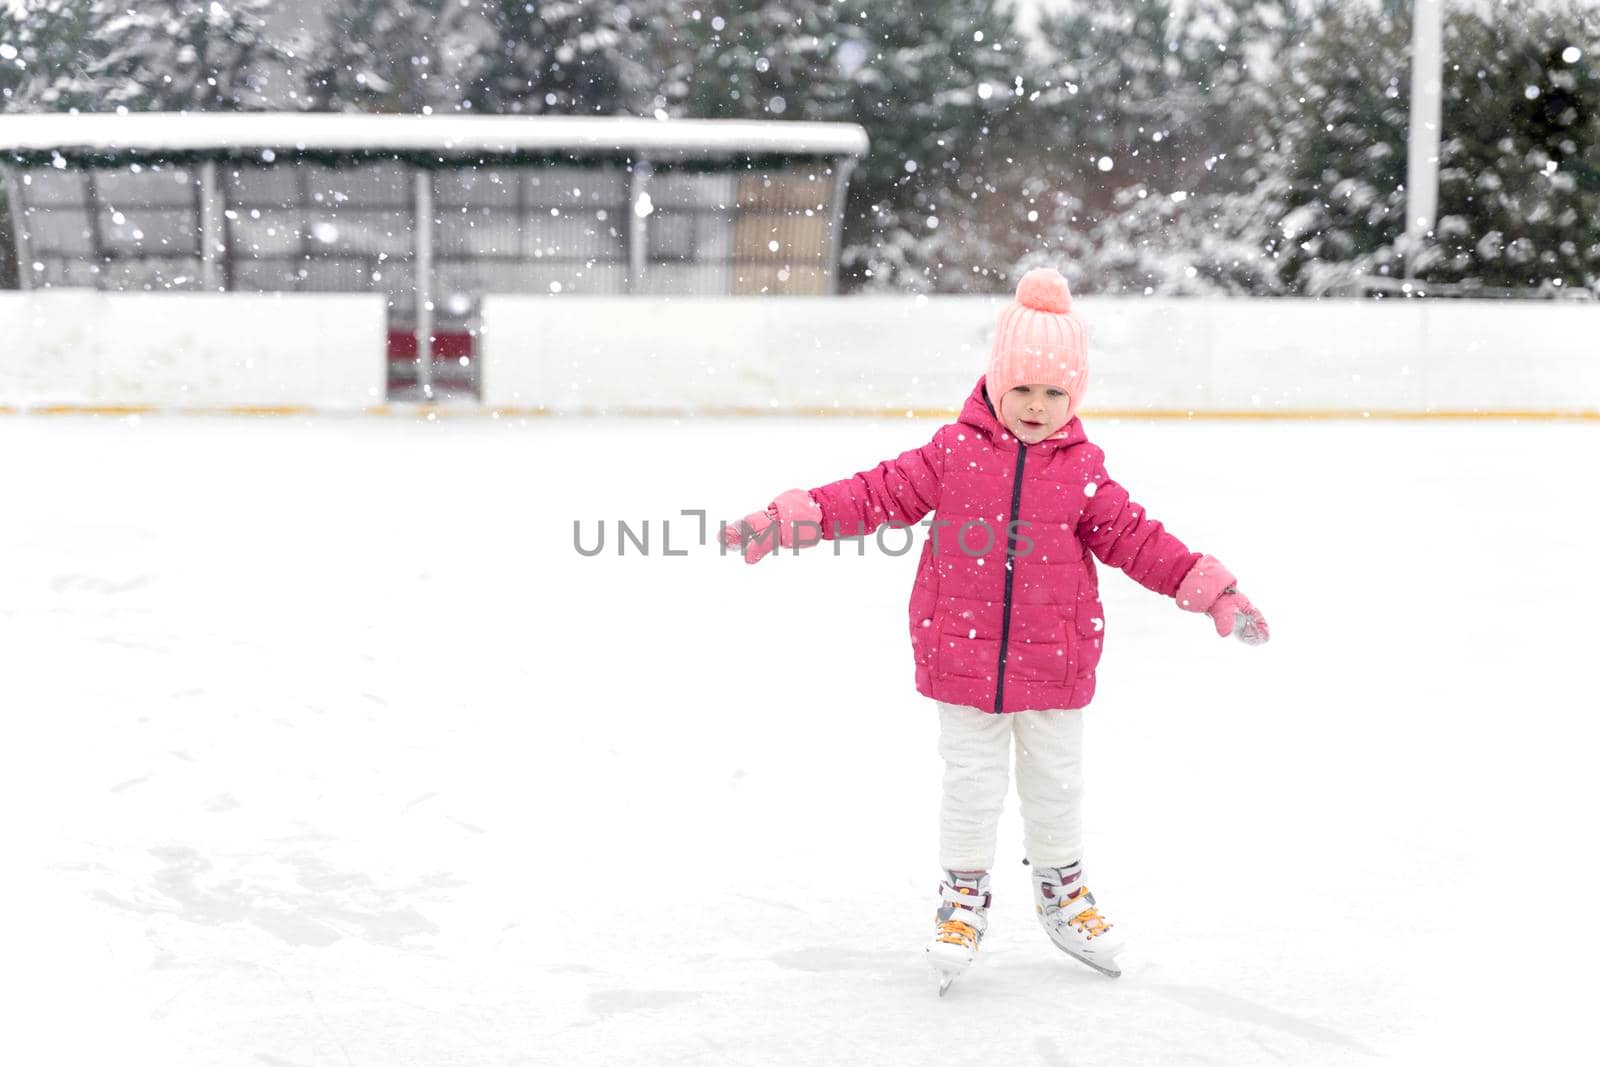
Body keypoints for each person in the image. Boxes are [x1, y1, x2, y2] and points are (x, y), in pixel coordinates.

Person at [720, 267, 1269, 991]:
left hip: (1055, 664)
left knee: (1056, 784)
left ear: (1074, 398)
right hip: (963, 656)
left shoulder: (1084, 473)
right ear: (995, 382)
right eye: (1024, 388)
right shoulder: (951, 455)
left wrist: (1211, 588)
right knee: (972, 786)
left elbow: (1140, 541)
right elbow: (874, 494)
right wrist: (796, 517)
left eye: (1054, 392)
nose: (1037, 405)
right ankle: (964, 896)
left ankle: (1062, 891)